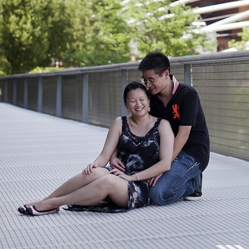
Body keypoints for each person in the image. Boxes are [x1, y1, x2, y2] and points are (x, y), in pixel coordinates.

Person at [17, 82, 174, 216]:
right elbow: (104, 156)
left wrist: (133, 177)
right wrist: (94, 164)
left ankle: (53, 203)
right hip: (118, 174)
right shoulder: (120, 122)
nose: (138, 104)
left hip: (140, 185)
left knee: (107, 180)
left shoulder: (162, 125)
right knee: (95, 172)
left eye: (142, 100)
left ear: (149, 101)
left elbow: (165, 163)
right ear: (126, 104)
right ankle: (45, 201)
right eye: (133, 101)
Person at [123, 51, 210, 204]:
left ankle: (193, 182)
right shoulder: (152, 98)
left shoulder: (188, 95)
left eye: (151, 80)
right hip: (165, 151)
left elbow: (183, 135)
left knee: (158, 194)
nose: (148, 85)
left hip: (192, 153)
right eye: (145, 80)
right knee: (140, 182)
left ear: (166, 74)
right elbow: (138, 125)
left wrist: (162, 167)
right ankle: (181, 175)